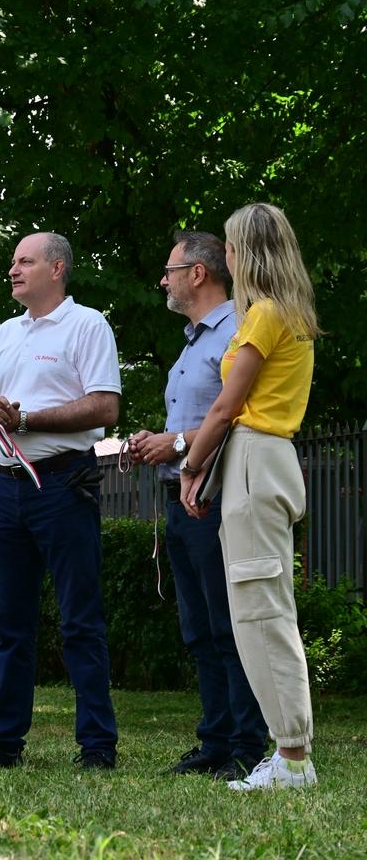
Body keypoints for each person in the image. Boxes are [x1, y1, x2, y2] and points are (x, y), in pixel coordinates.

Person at [0, 231, 121, 770]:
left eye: (24, 261)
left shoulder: (88, 325)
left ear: (57, 268)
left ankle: (96, 745)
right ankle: (5, 743)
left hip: (63, 483)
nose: (13, 269)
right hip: (6, 485)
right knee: (10, 623)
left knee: (80, 620)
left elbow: (105, 407)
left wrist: (25, 418)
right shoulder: (4, 333)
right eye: (13, 261)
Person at [180, 203, 319, 791]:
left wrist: (191, 467)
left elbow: (225, 406)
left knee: (261, 613)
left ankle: (292, 759)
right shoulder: (286, 313)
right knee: (263, 610)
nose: (227, 257)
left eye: (231, 247)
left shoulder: (264, 315)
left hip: (255, 461)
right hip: (264, 461)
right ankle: (289, 754)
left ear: (247, 252)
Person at [129, 232, 267, 781]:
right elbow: (197, 423)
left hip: (217, 499)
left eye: (170, 271)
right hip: (182, 501)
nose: (163, 280)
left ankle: (246, 745)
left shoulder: (237, 333)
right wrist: (158, 442)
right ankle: (215, 740)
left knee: (229, 626)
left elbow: (236, 415)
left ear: (198, 273)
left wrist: (178, 445)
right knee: (199, 629)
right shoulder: (192, 342)